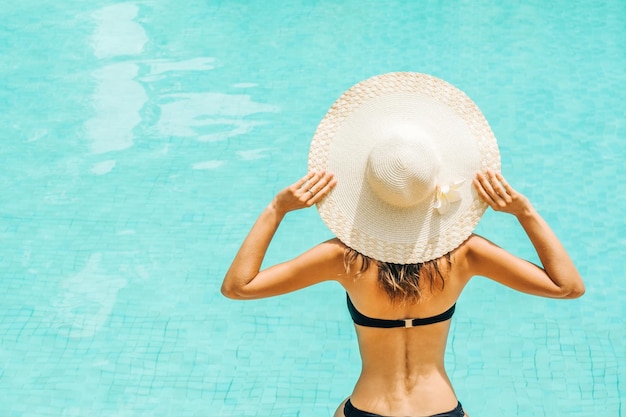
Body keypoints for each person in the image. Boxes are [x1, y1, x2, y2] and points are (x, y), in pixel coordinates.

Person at [221, 73, 585, 417]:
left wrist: (276, 209)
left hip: (368, 408)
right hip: (441, 408)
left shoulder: (343, 259)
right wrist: (525, 213)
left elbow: (238, 287)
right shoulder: (466, 255)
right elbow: (567, 287)